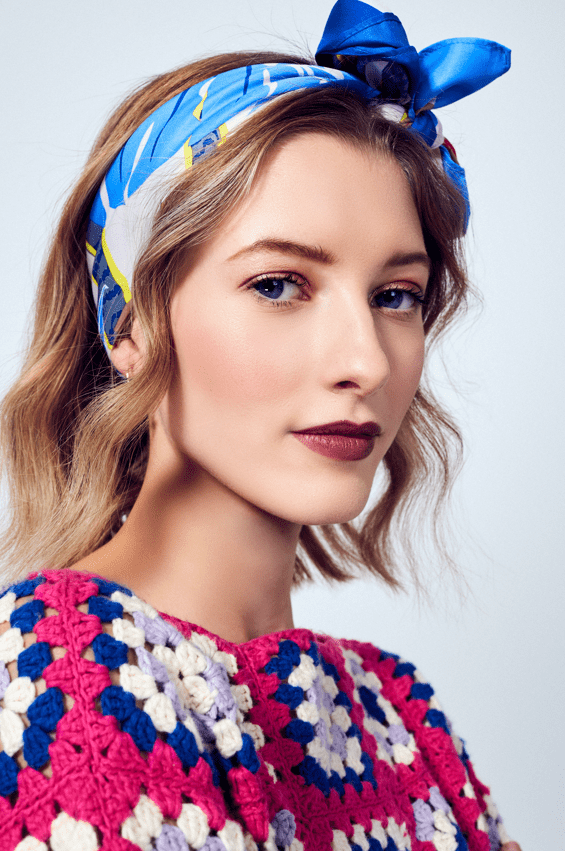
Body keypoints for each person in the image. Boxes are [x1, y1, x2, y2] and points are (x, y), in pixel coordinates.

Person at [0, 1, 521, 848]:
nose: (365, 359)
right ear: (130, 324)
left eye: (395, 295)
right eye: (278, 284)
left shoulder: (395, 712)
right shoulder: (62, 673)